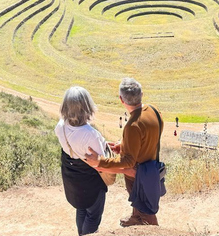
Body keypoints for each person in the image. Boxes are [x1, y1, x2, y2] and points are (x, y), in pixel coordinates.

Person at [85, 77, 164, 227]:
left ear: (121, 99)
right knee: (138, 201)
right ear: (142, 94)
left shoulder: (133, 125)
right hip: (151, 167)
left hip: (139, 175)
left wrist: (100, 161)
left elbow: (128, 162)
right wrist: (124, 145)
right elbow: (151, 135)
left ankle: (152, 230)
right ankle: (136, 218)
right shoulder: (154, 110)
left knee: (146, 209)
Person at [54, 86, 108, 236]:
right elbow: (101, 160)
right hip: (90, 181)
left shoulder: (60, 127)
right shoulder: (91, 134)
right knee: (93, 215)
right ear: (86, 107)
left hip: (72, 178)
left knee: (81, 208)